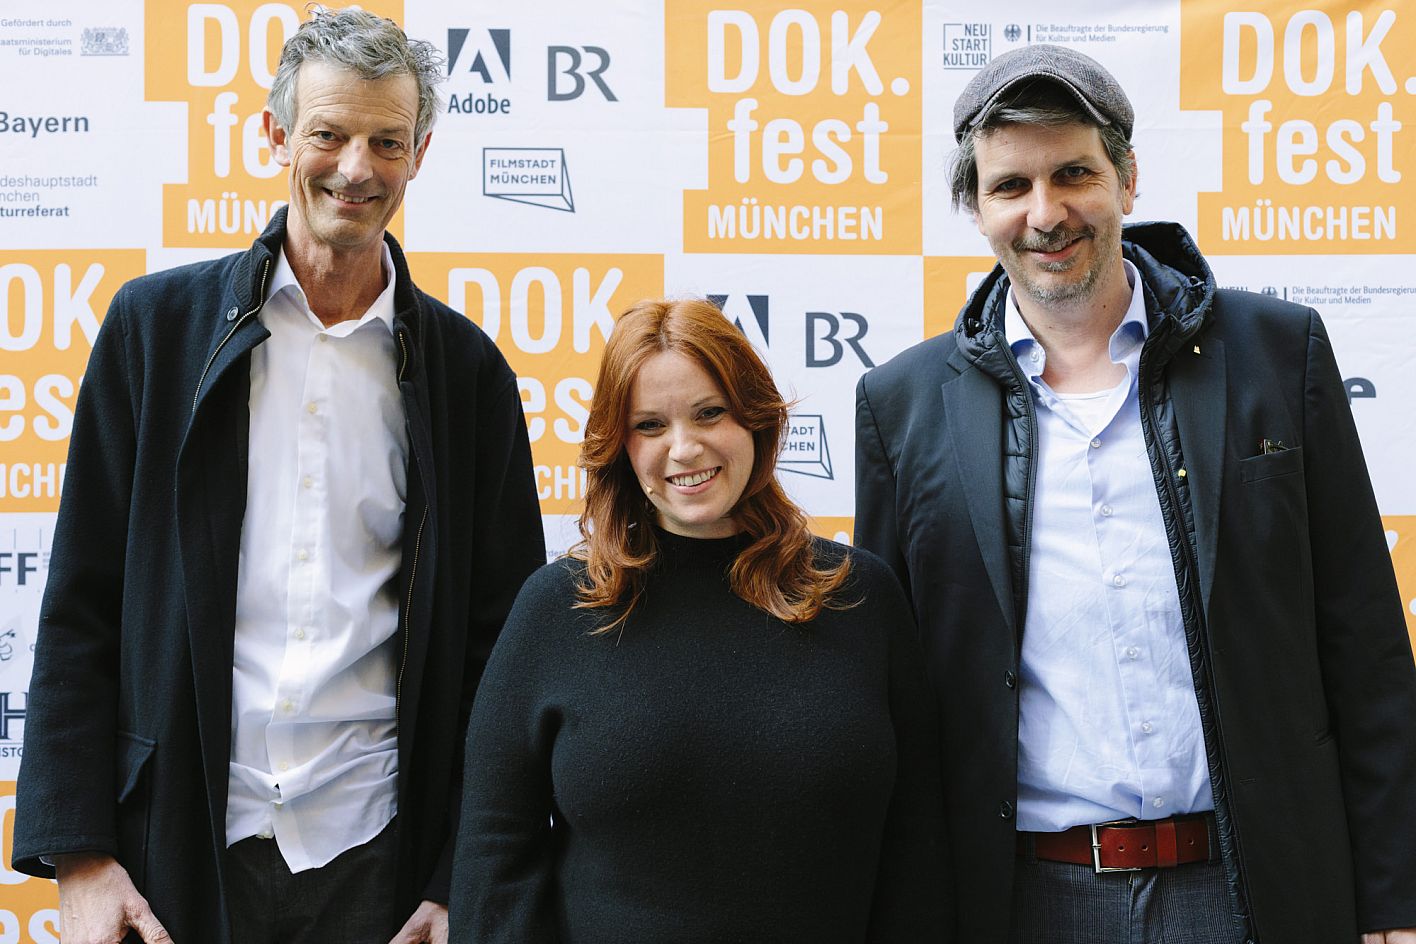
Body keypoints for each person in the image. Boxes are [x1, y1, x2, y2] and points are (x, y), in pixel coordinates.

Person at [854, 43, 1416, 944]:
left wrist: (1394, 896)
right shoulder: (902, 407)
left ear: (1126, 178)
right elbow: (887, 697)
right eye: (1011, 186)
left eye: (1074, 173)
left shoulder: (1278, 353)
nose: (1046, 213)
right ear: (977, 208)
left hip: (1251, 887)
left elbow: (1366, 644)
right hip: (1025, 901)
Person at [12, 9, 545, 944]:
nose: (356, 168)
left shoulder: (468, 376)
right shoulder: (154, 332)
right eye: (328, 134)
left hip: (378, 858)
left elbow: (502, 659)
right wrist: (80, 855)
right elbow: (80, 606)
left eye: (387, 141)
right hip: (178, 845)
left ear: (419, 154)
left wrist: (462, 877)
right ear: (276, 136)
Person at [448, 298, 948, 943]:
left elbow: (918, 851)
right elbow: (494, 857)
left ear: (756, 418)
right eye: (649, 425)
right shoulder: (557, 609)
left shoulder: (860, 597)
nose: (684, 449)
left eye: (710, 413)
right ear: (619, 445)